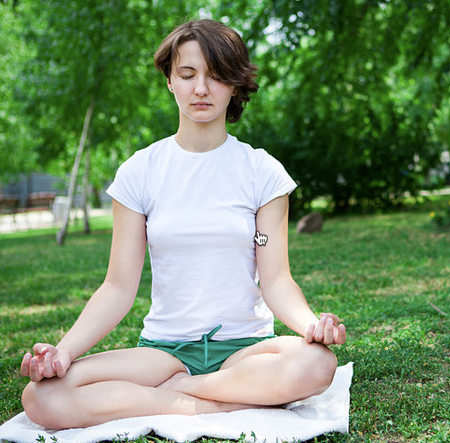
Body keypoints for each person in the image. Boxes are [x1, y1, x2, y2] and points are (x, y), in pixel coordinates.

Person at [20, 19, 345, 430]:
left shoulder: (262, 172)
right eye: (187, 74)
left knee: (317, 363)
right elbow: (118, 287)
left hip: (243, 350)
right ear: (170, 80)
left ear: (235, 85)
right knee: (43, 397)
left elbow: (276, 279)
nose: (201, 89)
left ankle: (183, 393)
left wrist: (310, 325)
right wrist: (63, 353)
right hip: (162, 352)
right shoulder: (140, 172)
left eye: (216, 76)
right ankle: (228, 403)